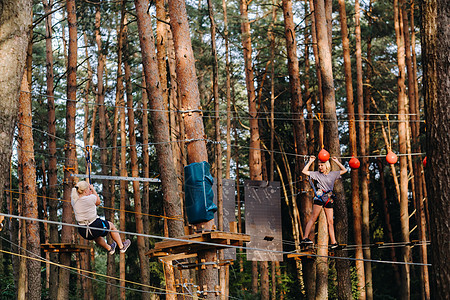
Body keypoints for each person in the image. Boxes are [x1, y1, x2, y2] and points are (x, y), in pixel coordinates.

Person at [71, 181, 131, 254]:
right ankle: (122, 247)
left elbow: (84, 200)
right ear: (86, 190)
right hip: (95, 226)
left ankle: (110, 248)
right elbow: (98, 202)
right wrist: (93, 190)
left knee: (96, 237)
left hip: (83, 231)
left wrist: (89, 193)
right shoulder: (91, 198)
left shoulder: (74, 201)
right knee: (111, 226)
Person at [300, 155, 347, 249]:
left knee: (330, 222)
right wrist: (310, 161)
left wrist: (336, 161)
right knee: (313, 218)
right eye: (319, 165)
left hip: (328, 199)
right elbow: (304, 171)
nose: (320, 167)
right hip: (319, 198)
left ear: (327, 165)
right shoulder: (317, 174)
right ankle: (305, 238)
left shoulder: (333, 174)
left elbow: (344, 170)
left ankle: (333, 242)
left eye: (322, 165)